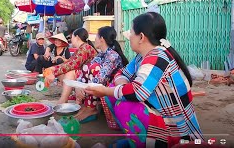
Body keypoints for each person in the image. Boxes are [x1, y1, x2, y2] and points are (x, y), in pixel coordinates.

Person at [85, 12, 203, 147]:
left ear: (141, 37)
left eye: (131, 33)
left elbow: (137, 93)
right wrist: (121, 86)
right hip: (162, 116)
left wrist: (106, 90)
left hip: (176, 130)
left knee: (122, 103)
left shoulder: (157, 58)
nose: (129, 37)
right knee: (116, 93)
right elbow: (121, 73)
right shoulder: (142, 56)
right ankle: (136, 139)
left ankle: (148, 142)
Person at [73, 26, 129, 123]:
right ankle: (87, 107)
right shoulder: (101, 54)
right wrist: (78, 87)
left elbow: (100, 79)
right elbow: (85, 70)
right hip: (98, 84)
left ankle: (91, 109)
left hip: (111, 87)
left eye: (96, 37)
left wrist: (83, 91)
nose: (94, 40)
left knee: (94, 68)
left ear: (102, 39)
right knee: (87, 67)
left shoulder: (112, 56)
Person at [43, 28, 97, 103]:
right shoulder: (82, 48)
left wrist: (53, 70)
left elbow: (73, 64)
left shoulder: (85, 48)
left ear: (77, 37)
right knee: (62, 73)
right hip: (85, 75)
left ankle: (63, 99)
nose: (71, 39)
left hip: (91, 77)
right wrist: (53, 70)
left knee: (70, 72)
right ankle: (66, 97)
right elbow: (71, 62)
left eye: (72, 37)